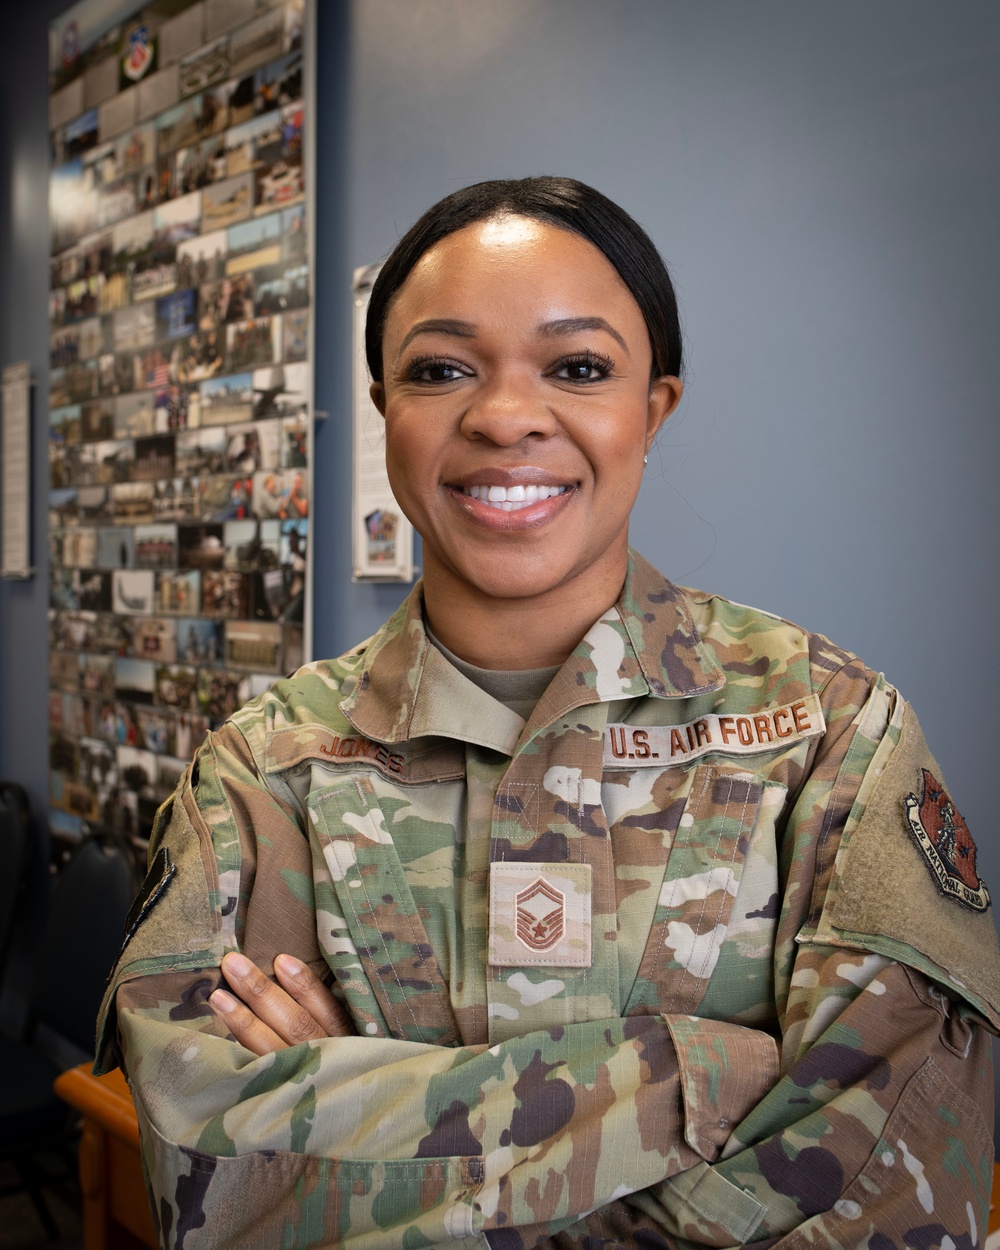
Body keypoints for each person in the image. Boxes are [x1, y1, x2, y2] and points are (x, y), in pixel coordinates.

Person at [99, 178, 999, 1249]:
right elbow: (218, 1185)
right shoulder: (262, 772)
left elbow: (903, 1181)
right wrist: (695, 1079)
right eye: (440, 369)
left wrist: (359, 1106)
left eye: (577, 367)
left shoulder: (830, 729)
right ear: (386, 407)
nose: (504, 416)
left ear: (652, 409)